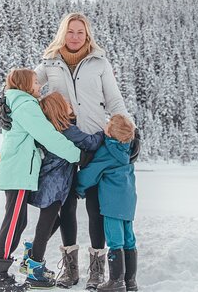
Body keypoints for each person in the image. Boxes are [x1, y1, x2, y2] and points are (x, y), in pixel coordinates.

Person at [0, 12, 139, 289]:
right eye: (70, 31)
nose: (75, 37)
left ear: (87, 35)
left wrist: (130, 130)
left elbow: (114, 100)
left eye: (80, 32)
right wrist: (3, 104)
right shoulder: (49, 62)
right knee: (67, 206)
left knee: (97, 207)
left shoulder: (99, 63)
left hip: (96, 142)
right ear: (63, 33)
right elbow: (23, 87)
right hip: (63, 145)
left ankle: (97, 270)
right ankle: (70, 269)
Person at [0, 68, 82, 292]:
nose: (39, 85)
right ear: (25, 85)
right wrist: (77, 155)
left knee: (17, 222)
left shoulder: (17, 102)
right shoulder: (26, 105)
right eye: (35, 82)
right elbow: (47, 135)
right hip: (19, 173)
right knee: (13, 224)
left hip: (18, 172)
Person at [20, 92, 105, 288]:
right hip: (57, 186)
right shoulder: (67, 129)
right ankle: (34, 267)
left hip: (47, 182)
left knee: (55, 220)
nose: (70, 104)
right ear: (59, 109)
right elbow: (90, 142)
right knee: (47, 223)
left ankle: (32, 255)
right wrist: (105, 131)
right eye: (65, 103)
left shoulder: (48, 129)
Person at [75, 114, 138, 292]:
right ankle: (130, 281)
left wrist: (77, 187)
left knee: (114, 240)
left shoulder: (108, 151)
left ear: (110, 132)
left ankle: (116, 281)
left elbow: (91, 173)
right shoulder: (128, 149)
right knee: (129, 239)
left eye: (109, 124)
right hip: (128, 202)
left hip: (111, 204)